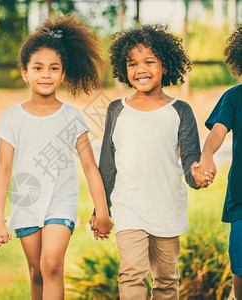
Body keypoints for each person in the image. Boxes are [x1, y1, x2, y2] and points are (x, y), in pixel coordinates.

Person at [0, 15, 114, 300]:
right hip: (26, 201)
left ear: (63, 74)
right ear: (25, 73)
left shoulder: (72, 117)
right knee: (36, 271)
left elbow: (90, 168)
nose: (45, 74)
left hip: (61, 199)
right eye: (38, 68)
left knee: (52, 265)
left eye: (53, 68)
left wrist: (102, 211)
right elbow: (3, 170)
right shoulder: (12, 118)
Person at [96, 24, 213, 299]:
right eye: (132, 63)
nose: (141, 69)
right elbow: (107, 164)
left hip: (166, 206)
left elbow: (190, 160)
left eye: (149, 61)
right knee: (132, 274)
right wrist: (101, 209)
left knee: (166, 279)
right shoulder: (116, 110)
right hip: (128, 207)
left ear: (165, 65)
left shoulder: (180, 110)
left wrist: (196, 176)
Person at [194, 24, 242, 300]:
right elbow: (218, 130)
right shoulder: (234, 97)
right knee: (240, 265)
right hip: (241, 200)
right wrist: (207, 155)